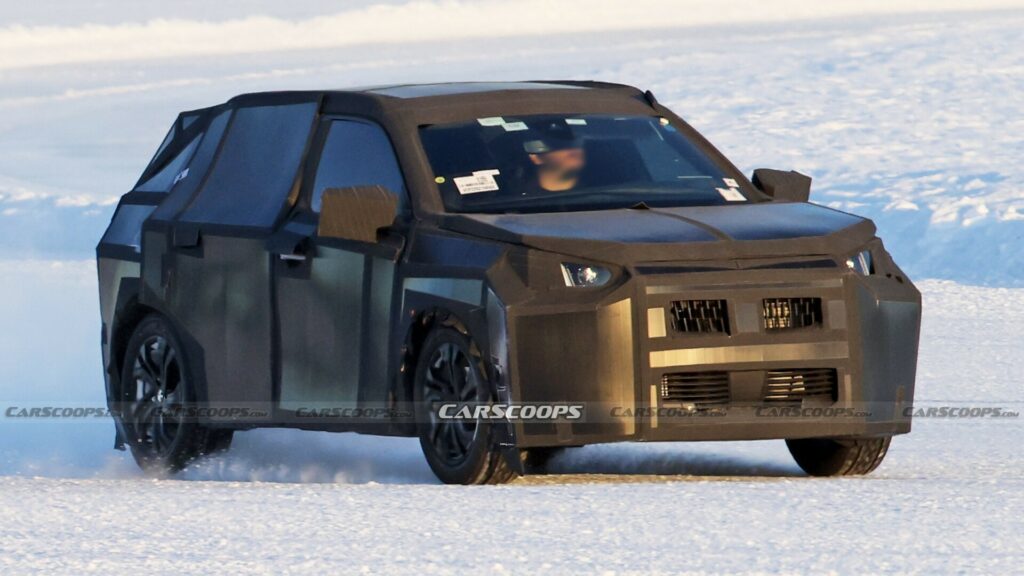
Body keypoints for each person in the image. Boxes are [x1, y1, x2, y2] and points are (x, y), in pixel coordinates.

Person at [521, 121, 586, 193]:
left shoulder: (598, 191)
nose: (573, 148)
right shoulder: (521, 201)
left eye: (576, 143)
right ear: (536, 158)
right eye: (559, 145)